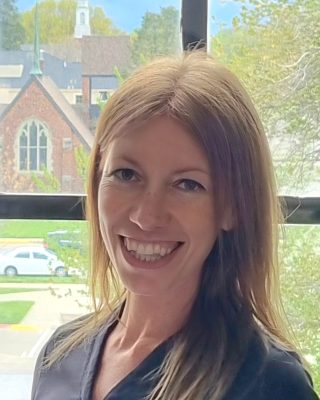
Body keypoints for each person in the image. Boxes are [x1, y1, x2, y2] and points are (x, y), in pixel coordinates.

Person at [31, 51, 319, 400]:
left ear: (233, 207)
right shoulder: (59, 356)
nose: (146, 216)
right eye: (126, 174)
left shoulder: (267, 384)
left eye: (186, 184)